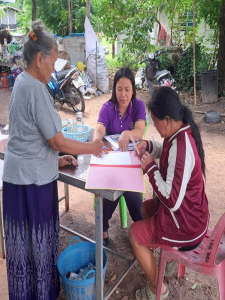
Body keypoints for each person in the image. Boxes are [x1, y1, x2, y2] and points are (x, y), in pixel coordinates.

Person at [2, 20, 103, 300]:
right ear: (38, 58)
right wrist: (93, 148)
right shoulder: (35, 88)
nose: (54, 68)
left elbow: (28, 137)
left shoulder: (22, 82)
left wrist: (54, 161)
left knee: (23, 248)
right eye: (53, 61)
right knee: (38, 244)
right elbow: (57, 141)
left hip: (17, 179)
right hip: (32, 184)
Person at [129, 87, 209, 300]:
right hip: (192, 215)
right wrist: (149, 146)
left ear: (166, 119)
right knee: (145, 208)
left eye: (155, 121)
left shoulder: (182, 147)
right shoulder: (180, 133)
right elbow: (167, 153)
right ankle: (168, 261)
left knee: (134, 235)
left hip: (186, 226)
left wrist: (149, 167)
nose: (154, 125)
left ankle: (158, 289)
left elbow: (171, 201)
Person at [93, 67, 147, 247]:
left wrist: (127, 133)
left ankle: (141, 227)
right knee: (111, 188)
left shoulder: (138, 106)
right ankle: (103, 229)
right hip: (112, 162)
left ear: (133, 90)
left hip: (131, 162)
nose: (123, 94)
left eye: (127, 89)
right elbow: (99, 128)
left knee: (130, 191)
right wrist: (97, 141)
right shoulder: (108, 108)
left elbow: (139, 131)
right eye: (119, 89)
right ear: (114, 89)